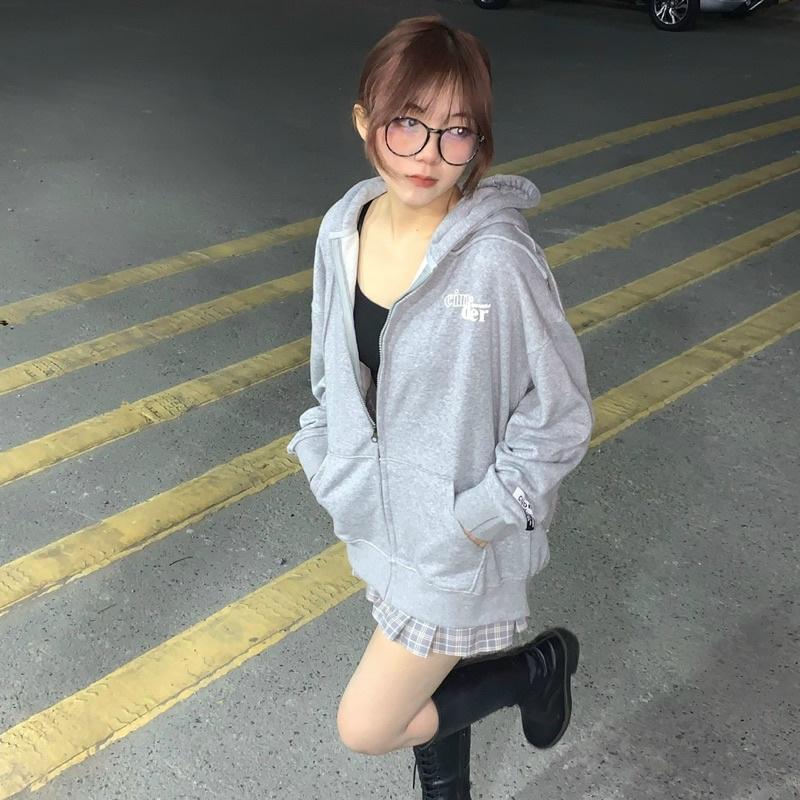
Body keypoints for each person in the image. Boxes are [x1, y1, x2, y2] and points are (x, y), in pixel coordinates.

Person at [286, 15, 594, 799]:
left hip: (457, 542)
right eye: (408, 124)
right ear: (365, 122)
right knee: (421, 680)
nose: (428, 154)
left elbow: (561, 414)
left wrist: (476, 518)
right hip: (378, 517)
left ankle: (536, 670)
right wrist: (326, 456)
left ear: (479, 143)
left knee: (368, 724)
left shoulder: (497, 261)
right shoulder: (344, 228)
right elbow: (330, 365)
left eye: (457, 132)